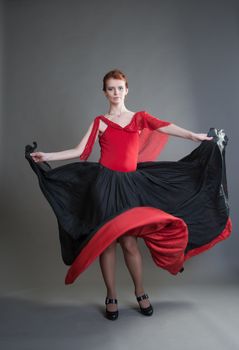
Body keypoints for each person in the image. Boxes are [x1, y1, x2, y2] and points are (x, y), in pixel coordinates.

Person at [25, 69, 232, 321]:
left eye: (119, 88)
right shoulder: (100, 121)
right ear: (104, 92)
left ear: (126, 90)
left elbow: (165, 127)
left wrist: (194, 136)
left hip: (130, 186)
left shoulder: (139, 118)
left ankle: (140, 291)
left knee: (130, 243)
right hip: (104, 186)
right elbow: (80, 151)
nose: (115, 93)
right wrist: (46, 156)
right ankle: (111, 295)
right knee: (107, 242)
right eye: (110, 88)